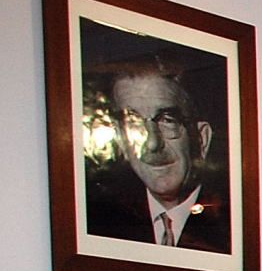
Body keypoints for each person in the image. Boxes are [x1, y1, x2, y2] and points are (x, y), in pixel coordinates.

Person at [84, 58, 230, 253]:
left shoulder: (232, 226)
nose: (152, 144)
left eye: (167, 120)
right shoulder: (99, 223)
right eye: (133, 122)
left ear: (202, 139)